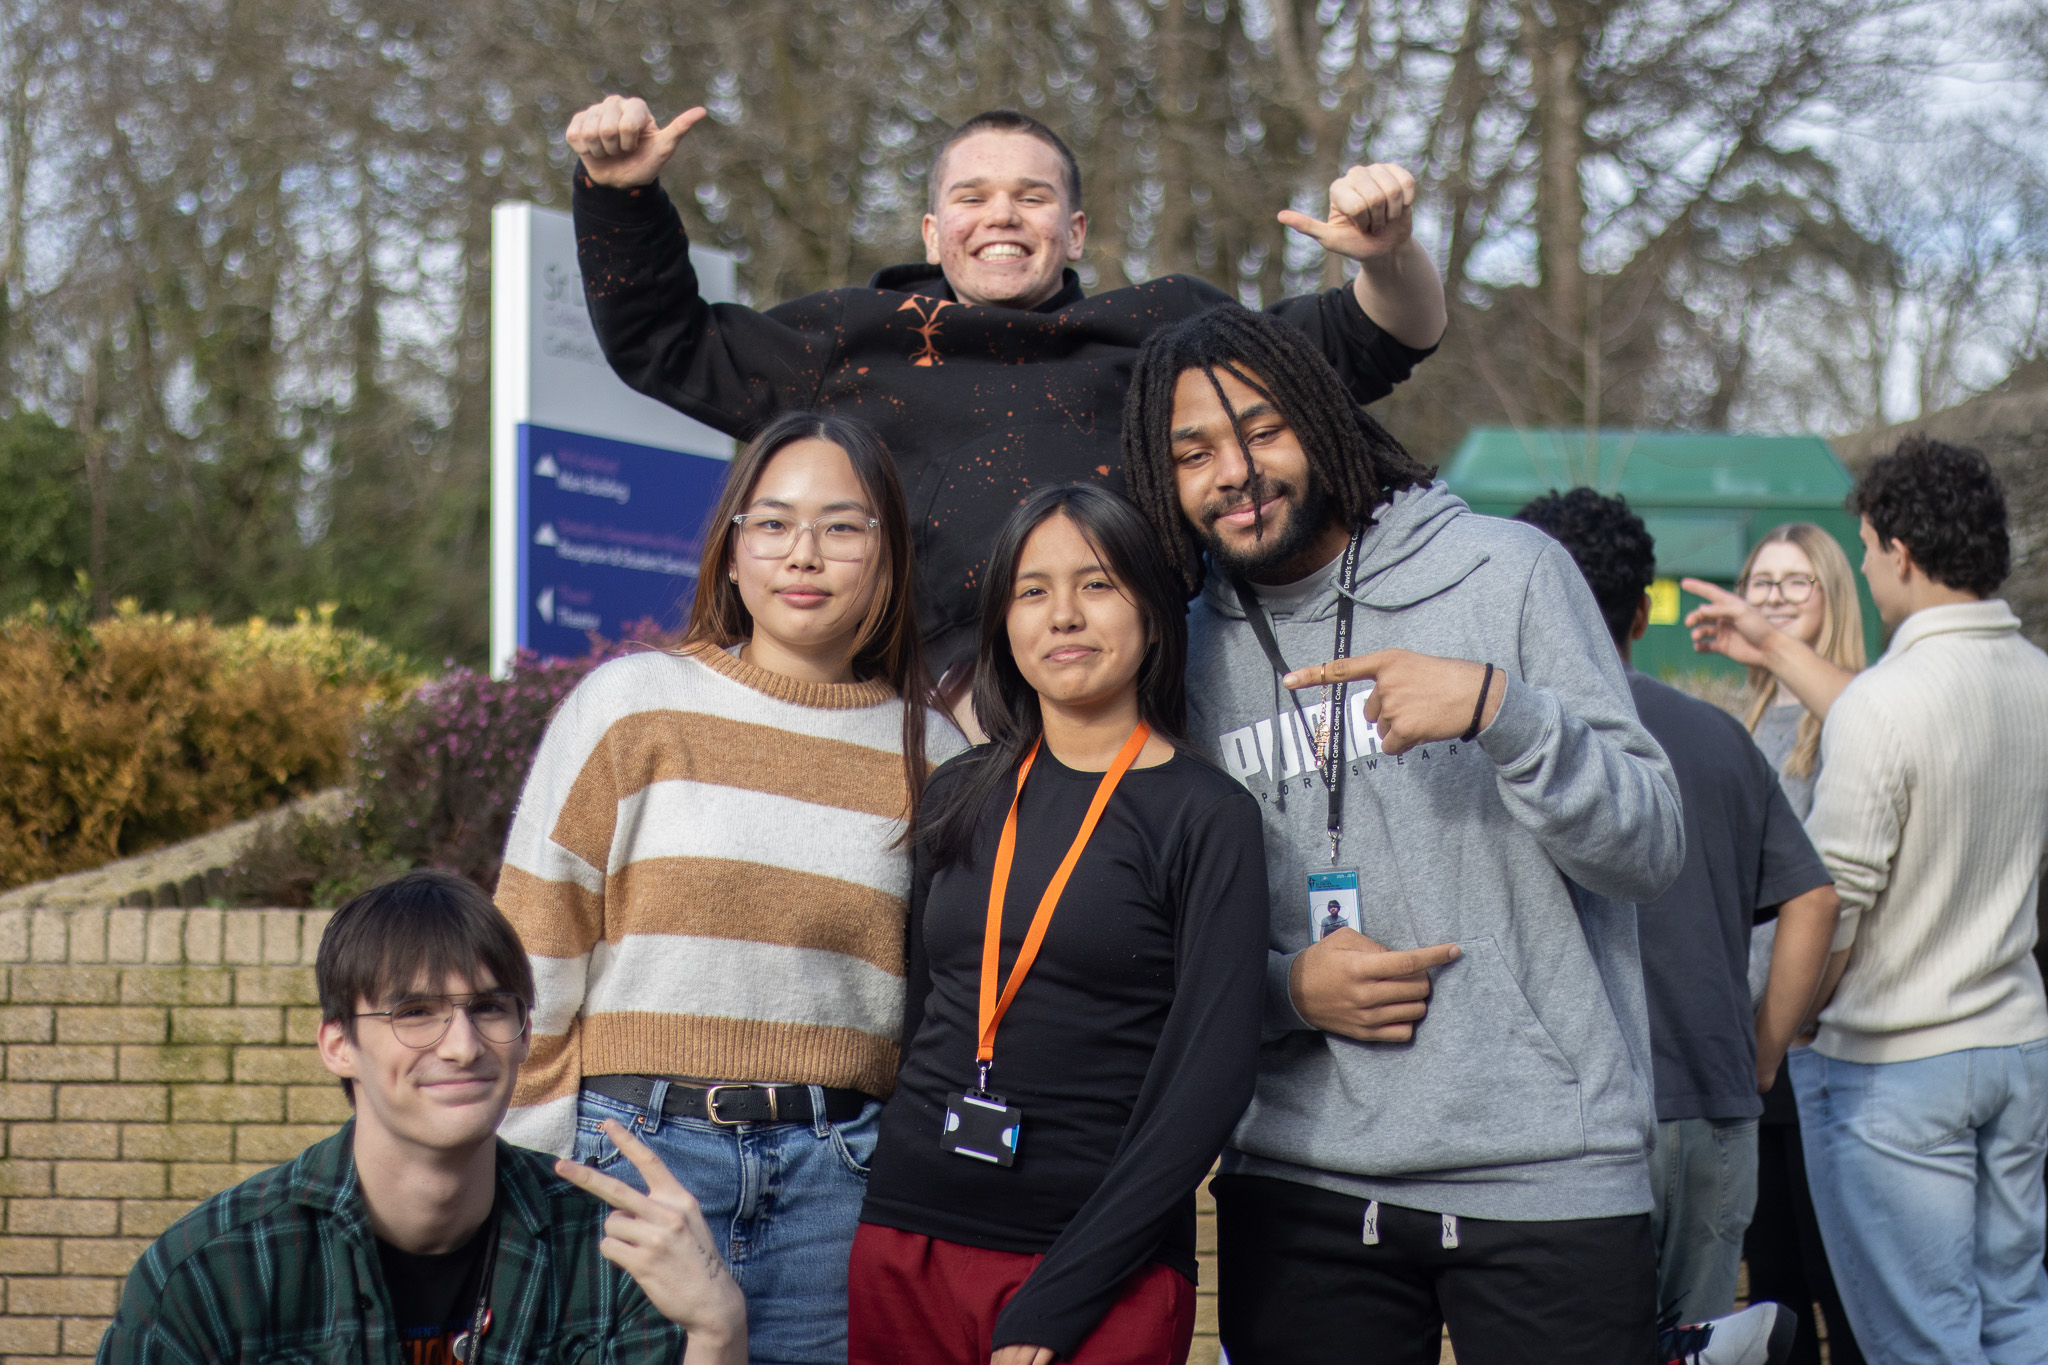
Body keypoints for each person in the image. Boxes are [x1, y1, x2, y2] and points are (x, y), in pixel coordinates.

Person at [1119, 305, 1715, 1363]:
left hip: (1546, 1171)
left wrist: (1505, 712)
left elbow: (1649, 850)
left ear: (1320, 420)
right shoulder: (1181, 648)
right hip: (1300, 1181)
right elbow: (1156, 935)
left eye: (1261, 430)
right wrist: (1282, 990)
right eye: (1194, 452)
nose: (1235, 472)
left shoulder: (1507, 574)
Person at [562, 95, 1448, 684]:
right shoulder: (849, 342)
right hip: (912, 726)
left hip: (1136, 721)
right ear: (933, 227)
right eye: (973, 196)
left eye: (1031, 198)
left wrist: (1390, 256)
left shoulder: (1160, 333)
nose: (1001, 217)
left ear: (1073, 229)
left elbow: (1374, 338)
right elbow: (662, 343)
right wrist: (619, 196)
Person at [495, 412, 966, 1364]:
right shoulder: (633, 705)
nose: (805, 554)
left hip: (838, 1179)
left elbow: (942, 1000)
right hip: (634, 1159)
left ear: (887, 557)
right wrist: (533, 1169)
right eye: (774, 523)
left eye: (842, 526)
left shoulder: (936, 754)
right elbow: (535, 944)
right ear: (733, 548)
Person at [848, 484, 1270, 1365]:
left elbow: (1209, 1079)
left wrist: (1062, 1296)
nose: (1063, 615)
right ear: (1003, 621)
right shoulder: (959, 793)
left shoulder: (1206, 815)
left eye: (1099, 584)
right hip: (907, 1241)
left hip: (1093, 1264)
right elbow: (924, 1011)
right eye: (1032, 591)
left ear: (1154, 614)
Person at [98, 870, 747, 1365]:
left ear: (525, 1033)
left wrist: (718, 1332)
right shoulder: (213, 1273)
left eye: (490, 1008)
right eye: (414, 1013)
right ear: (338, 1045)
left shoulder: (613, 1254)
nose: (463, 1045)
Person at [1515, 489, 1837, 1339]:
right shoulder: (1718, 736)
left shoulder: (1508, 741)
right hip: (1712, 1106)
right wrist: (1762, 1052)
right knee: (1700, 1344)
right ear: (1640, 606)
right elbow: (1815, 896)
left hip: (1567, 1124)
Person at [1792, 436, 2048, 1365]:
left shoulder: (1884, 700)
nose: (1863, 567)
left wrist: (1787, 1021)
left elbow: (1835, 901)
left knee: (1924, 1345)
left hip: (1897, 1061)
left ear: (1900, 550)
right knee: (2018, 1312)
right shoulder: (2040, 680)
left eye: (1863, 547)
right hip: (2017, 1042)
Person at [1705, 523, 1870, 1365]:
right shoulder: (1747, 719)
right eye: (1760, 582)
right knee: (1771, 1286)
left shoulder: (1858, 712)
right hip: (1756, 1054)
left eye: (1793, 582)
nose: (1770, 596)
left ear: (1834, 596)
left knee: (1841, 1280)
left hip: (1823, 1046)